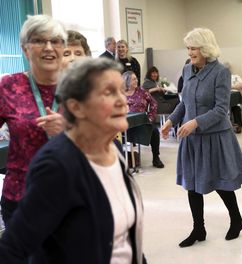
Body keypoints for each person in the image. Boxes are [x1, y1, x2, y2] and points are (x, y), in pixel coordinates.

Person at [0, 58, 146, 263]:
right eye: (108, 92)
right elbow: (12, 249)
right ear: (76, 107)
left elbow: (125, 240)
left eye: (122, 91)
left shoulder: (114, 150)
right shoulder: (58, 165)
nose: (123, 100)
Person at [161, 28, 242, 248]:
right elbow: (184, 103)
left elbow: (221, 110)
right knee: (192, 184)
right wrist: (171, 121)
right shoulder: (186, 69)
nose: (190, 52)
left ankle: (236, 219)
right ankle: (198, 229)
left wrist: (195, 122)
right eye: (188, 48)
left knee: (221, 183)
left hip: (215, 137)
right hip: (191, 139)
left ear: (206, 48)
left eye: (194, 48)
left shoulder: (220, 72)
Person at [0, 14, 67, 225]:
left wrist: (69, 131)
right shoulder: (9, 86)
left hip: (71, 195)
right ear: (25, 48)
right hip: (21, 197)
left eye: (55, 41)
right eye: (39, 40)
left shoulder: (81, 86)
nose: (48, 47)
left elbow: (107, 141)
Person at [122, 70, 165, 168]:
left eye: (136, 78)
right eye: (133, 79)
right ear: (126, 81)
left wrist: (151, 117)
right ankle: (122, 158)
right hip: (124, 123)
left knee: (154, 131)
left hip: (141, 122)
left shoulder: (141, 91)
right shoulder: (120, 93)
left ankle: (156, 157)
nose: (136, 81)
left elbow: (154, 103)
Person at [224, 62, 242, 134]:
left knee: (236, 108)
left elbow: (241, 85)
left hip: (235, 97)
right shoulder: (221, 77)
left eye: (228, 68)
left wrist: (231, 87)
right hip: (224, 98)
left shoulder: (235, 77)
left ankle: (238, 126)